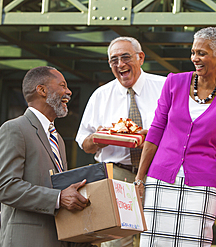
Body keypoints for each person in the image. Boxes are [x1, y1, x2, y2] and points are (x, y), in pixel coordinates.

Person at [134, 27, 216, 246]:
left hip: (202, 184)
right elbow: (156, 130)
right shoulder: (174, 82)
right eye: (193, 52)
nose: (195, 58)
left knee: (194, 241)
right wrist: (140, 178)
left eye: (202, 53)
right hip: (161, 178)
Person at [75, 37, 166, 247]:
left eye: (125, 57)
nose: (120, 64)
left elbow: (181, 132)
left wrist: (153, 137)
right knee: (116, 242)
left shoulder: (164, 87)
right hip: (117, 176)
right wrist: (100, 138)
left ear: (140, 57)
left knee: (158, 240)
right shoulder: (101, 95)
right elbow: (85, 144)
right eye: (113, 60)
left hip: (157, 173)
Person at [0, 66, 94, 247]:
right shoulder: (14, 129)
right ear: (42, 90)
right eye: (62, 85)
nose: (68, 92)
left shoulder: (58, 139)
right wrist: (58, 198)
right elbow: (4, 187)